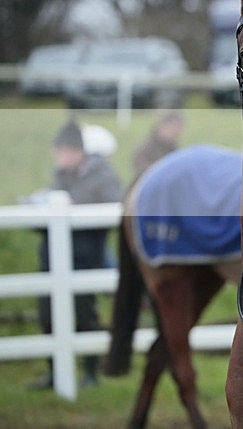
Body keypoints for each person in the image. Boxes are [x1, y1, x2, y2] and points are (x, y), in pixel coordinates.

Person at [29, 118, 123, 390]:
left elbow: (110, 211)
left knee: (85, 317)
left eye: (63, 150)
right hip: (52, 258)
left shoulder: (102, 176)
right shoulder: (61, 176)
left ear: (77, 151)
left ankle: (91, 372)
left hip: (84, 259)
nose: (58, 156)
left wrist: (74, 207)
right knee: (48, 317)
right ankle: (54, 373)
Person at [132, 110, 184, 178]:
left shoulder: (174, 149)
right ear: (162, 126)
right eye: (173, 127)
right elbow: (139, 167)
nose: (177, 132)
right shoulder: (148, 146)